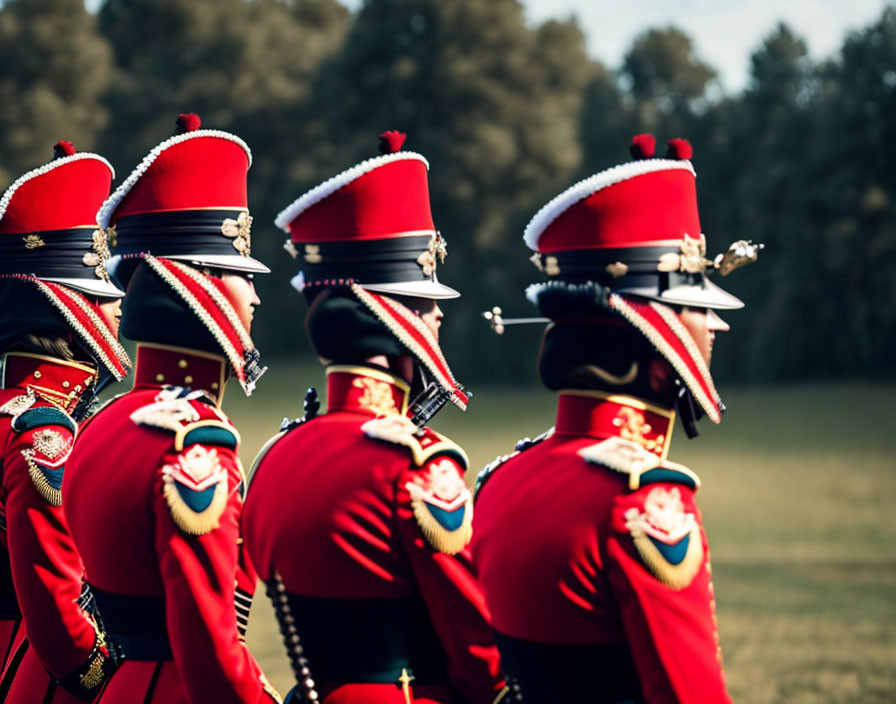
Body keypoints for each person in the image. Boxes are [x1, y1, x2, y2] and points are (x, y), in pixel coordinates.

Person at [472, 135, 761, 703]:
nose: (718, 326)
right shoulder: (642, 503)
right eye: (701, 309)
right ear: (662, 330)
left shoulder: (499, 480)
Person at [243, 131, 505, 704]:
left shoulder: (271, 457)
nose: (438, 315)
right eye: (425, 300)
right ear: (395, 317)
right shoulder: (415, 464)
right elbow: (479, 652)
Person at [62, 114, 280, 703]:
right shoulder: (195, 441)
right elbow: (209, 650)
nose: (256, 294)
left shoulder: (101, 423)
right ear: (201, 284)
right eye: (241, 274)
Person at [0, 141, 131, 702]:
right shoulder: (43, 432)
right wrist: (108, 678)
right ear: (64, 308)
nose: (118, 305)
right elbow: (57, 610)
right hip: (35, 671)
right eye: (98, 292)